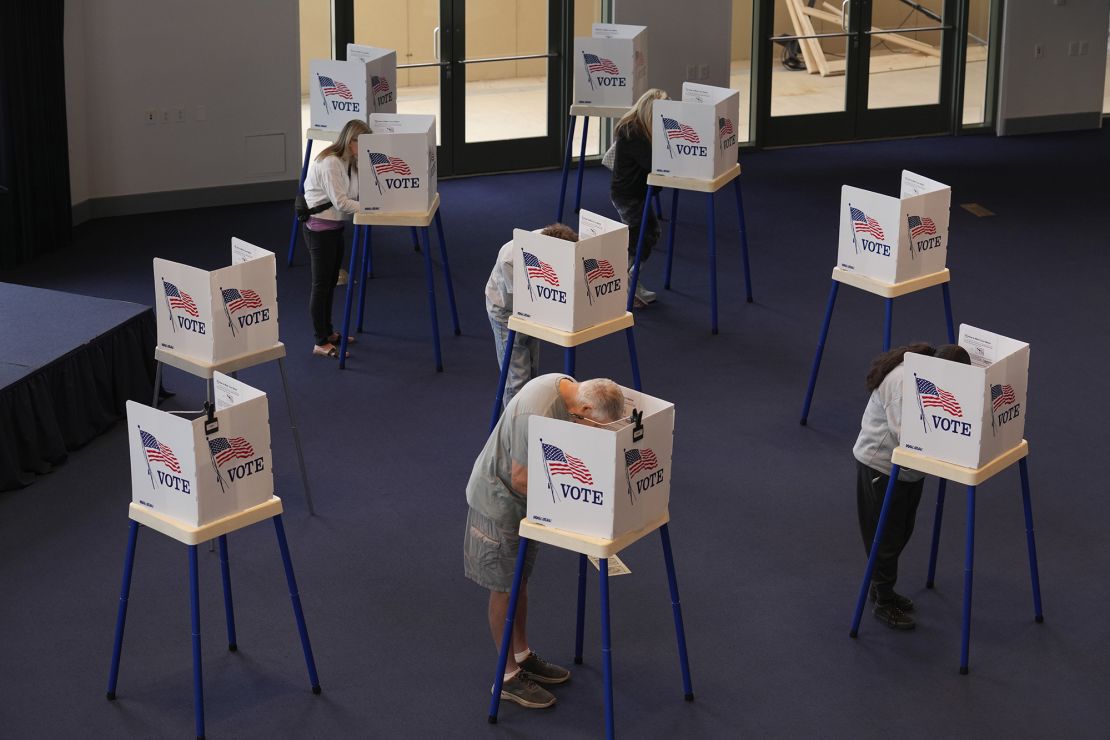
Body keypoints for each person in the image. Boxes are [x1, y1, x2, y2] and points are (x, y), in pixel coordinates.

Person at [464, 374, 626, 708]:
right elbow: (522, 478)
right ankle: (506, 677)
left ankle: (521, 655)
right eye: (593, 427)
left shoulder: (567, 389)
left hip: (526, 505)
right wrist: (579, 505)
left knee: (519, 582)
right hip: (500, 500)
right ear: (582, 408)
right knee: (504, 587)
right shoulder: (536, 413)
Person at [853, 342, 971, 630]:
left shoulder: (928, 375)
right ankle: (883, 602)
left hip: (908, 471)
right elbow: (907, 434)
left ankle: (880, 588)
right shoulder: (903, 383)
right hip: (880, 466)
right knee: (886, 538)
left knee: (902, 531)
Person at [485, 224, 579, 408]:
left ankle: (530, 417)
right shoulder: (510, 259)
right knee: (517, 378)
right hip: (506, 311)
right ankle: (515, 426)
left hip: (532, 309)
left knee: (532, 371)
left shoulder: (554, 238)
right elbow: (527, 299)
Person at [301, 118, 369, 358]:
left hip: (334, 226)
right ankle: (320, 341)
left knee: (331, 282)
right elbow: (341, 201)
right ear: (351, 142)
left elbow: (355, 193)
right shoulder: (331, 162)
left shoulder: (350, 161)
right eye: (363, 143)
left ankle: (328, 332)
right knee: (321, 285)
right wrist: (373, 207)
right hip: (319, 229)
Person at [610, 87, 668, 308]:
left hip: (634, 193)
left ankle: (629, 280)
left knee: (646, 235)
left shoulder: (635, 128)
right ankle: (627, 283)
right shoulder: (634, 133)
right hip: (629, 196)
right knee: (640, 239)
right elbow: (655, 165)